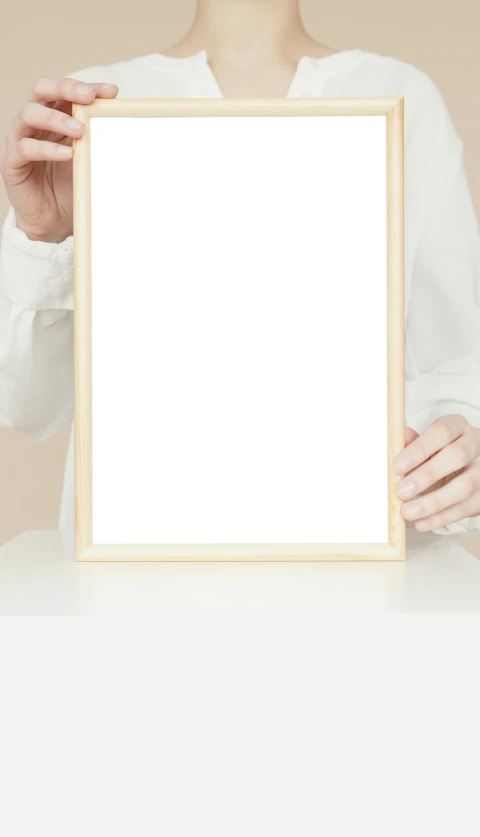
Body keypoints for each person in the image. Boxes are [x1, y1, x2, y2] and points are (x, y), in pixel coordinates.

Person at [1, 0, 479, 539]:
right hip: (133, 576)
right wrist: (41, 235)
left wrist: (459, 457)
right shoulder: (90, 111)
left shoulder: (402, 95)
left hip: (351, 571)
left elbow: (459, 366)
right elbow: (29, 406)